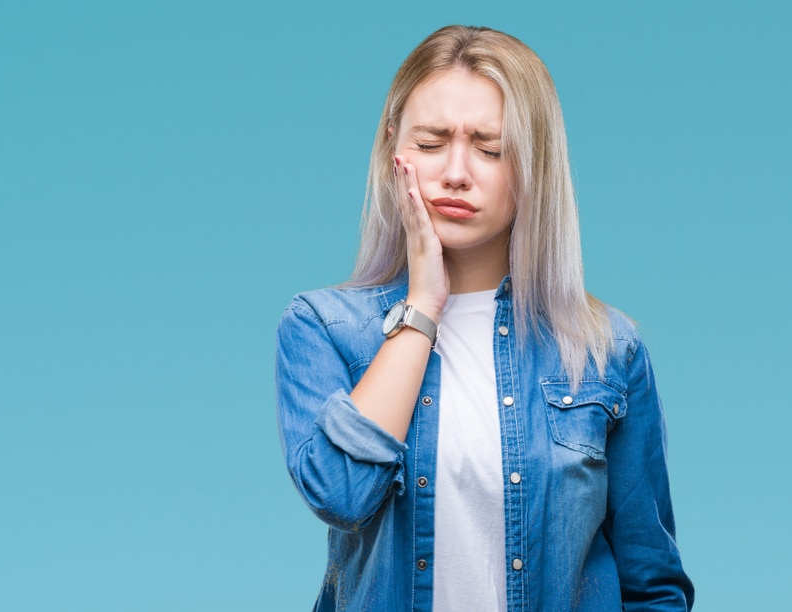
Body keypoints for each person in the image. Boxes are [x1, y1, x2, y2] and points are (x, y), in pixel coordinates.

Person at [275, 25, 694, 611]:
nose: (456, 172)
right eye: (431, 142)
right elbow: (344, 494)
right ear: (392, 149)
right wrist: (422, 307)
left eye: (491, 149)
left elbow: (652, 587)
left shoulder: (606, 351)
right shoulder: (325, 328)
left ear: (532, 169)